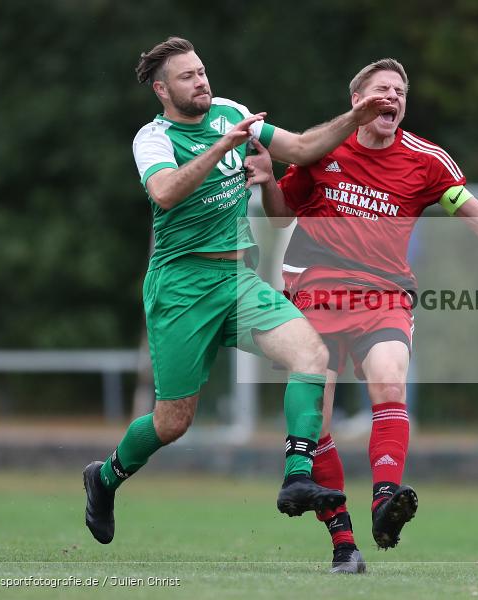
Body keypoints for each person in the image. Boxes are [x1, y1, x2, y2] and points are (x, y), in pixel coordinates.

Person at [244, 58, 478, 574]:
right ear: (357, 100)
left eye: (400, 91)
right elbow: (280, 216)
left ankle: (386, 500)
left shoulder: (427, 161)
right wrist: (269, 180)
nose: (393, 97)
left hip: (384, 295)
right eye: (382, 88)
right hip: (315, 292)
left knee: (389, 379)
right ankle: (344, 544)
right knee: (318, 422)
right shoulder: (322, 150)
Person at [82, 37, 395, 545]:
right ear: (162, 90)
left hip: (237, 280)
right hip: (180, 287)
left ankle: (297, 475)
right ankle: (105, 477)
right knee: (173, 422)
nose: (202, 81)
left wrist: (354, 116)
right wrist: (222, 148)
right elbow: (163, 192)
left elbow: (299, 148)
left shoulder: (231, 111)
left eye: (202, 71)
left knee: (313, 355)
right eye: (188, 77)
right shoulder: (153, 138)